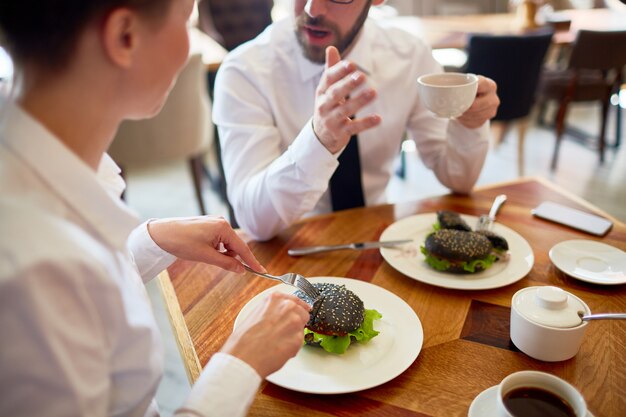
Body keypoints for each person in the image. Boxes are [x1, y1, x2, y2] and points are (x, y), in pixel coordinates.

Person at [0, 1, 310, 416]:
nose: (189, 44)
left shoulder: (41, 158)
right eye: (187, 20)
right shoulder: (34, 276)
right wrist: (242, 361)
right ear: (124, 36)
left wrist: (149, 241)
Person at [213, 0, 500, 241]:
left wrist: (470, 125)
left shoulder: (409, 57)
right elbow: (254, 222)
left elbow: (458, 179)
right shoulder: (245, 71)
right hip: (288, 248)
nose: (313, 9)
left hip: (379, 239)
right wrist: (318, 142)